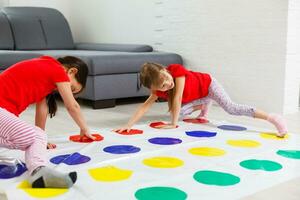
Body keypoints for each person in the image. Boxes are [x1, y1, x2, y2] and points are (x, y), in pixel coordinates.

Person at [115, 62, 288, 137]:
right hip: (198, 95)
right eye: (162, 86)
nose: (167, 84)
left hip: (208, 86)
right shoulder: (157, 91)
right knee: (181, 112)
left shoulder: (176, 70)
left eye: (166, 78)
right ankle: (204, 103)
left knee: (231, 108)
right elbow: (143, 107)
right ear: (154, 88)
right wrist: (128, 125)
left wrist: (173, 124)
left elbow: (177, 99)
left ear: (164, 69)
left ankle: (273, 118)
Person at [0, 56, 95, 188]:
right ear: (72, 71)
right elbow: (72, 106)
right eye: (72, 88)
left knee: (37, 135)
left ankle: (39, 173)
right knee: (35, 136)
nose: (68, 91)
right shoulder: (57, 70)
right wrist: (84, 128)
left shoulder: (45, 72)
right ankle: (39, 172)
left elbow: (42, 110)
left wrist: (41, 140)